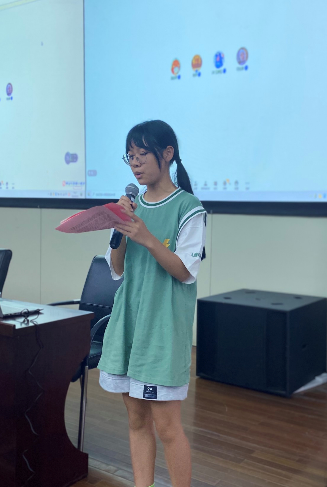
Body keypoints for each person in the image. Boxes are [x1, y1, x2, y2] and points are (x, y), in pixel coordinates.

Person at [98, 120, 206, 487]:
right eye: (130, 156)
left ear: (168, 154)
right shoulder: (130, 207)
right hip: (129, 322)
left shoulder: (189, 208)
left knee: (168, 426)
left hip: (162, 328)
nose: (135, 162)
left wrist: (145, 236)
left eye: (143, 153)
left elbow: (185, 271)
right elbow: (116, 268)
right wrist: (119, 225)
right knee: (136, 420)